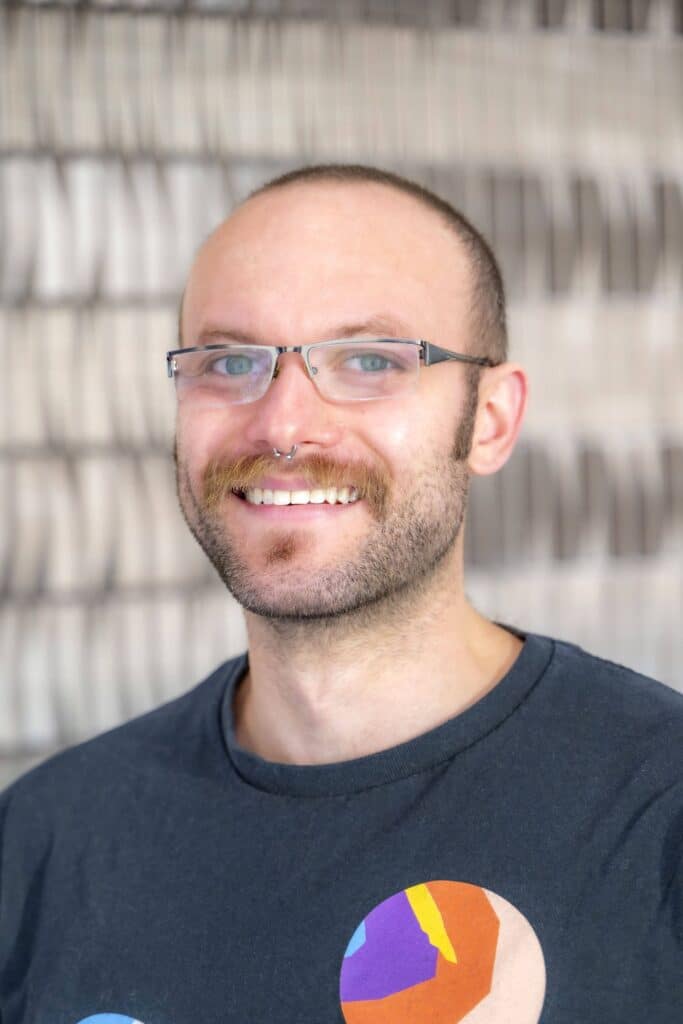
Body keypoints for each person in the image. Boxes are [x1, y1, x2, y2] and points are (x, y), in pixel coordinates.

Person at [0, 165, 681, 1024]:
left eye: (369, 360)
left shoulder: (656, 811)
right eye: (230, 361)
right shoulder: (45, 840)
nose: (284, 425)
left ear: (491, 420)